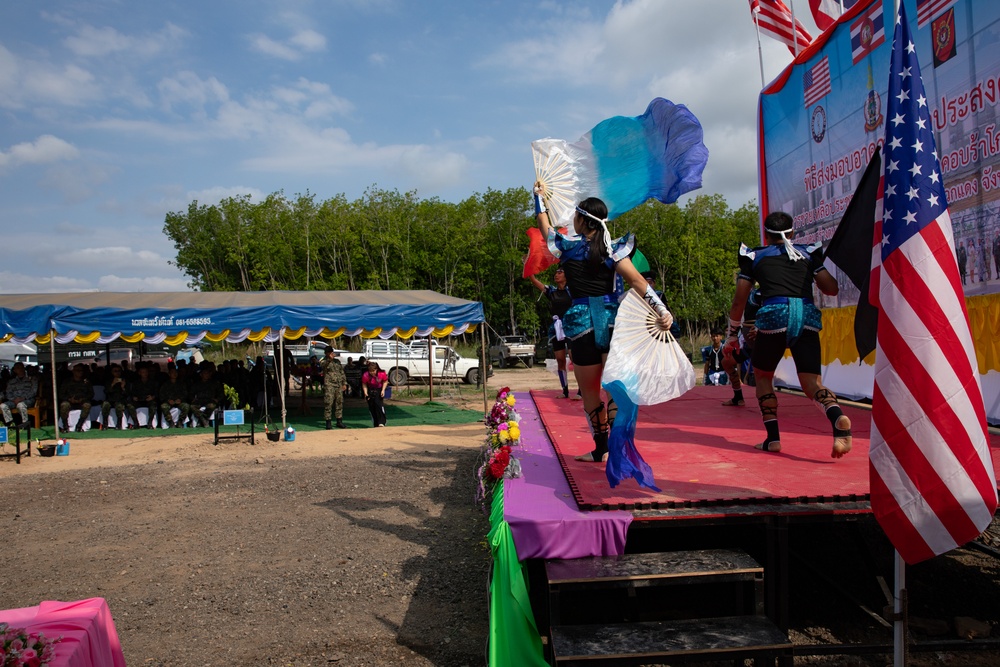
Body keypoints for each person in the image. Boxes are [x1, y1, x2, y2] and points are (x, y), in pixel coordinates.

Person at [533, 184, 673, 464]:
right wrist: (661, 308)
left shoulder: (568, 248)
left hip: (581, 324)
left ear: (583, 221)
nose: (572, 220)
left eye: (575, 216)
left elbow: (544, 226)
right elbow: (637, 282)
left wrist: (538, 197)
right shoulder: (615, 250)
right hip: (612, 323)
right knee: (616, 390)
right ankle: (619, 448)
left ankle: (601, 449)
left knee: (590, 393)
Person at [725, 210, 851, 457]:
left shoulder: (754, 256)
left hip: (774, 317)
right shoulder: (808, 253)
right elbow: (832, 289)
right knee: (811, 382)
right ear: (793, 233)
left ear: (767, 234)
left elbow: (739, 301)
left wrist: (732, 334)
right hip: (806, 316)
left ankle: (773, 439)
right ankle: (837, 417)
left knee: (763, 376)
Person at [528, 267, 573, 398]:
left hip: (571, 327)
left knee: (575, 359)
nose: (556, 275)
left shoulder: (573, 290)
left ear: (566, 276)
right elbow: (534, 281)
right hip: (556, 328)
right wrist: (528, 267)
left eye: (560, 272)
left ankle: (582, 391)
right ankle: (565, 390)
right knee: (560, 360)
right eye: (556, 273)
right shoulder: (551, 291)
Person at [721, 287, 761, 407]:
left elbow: (771, 310)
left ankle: (767, 406)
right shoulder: (741, 300)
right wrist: (733, 338)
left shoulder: (759, 294)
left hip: (761, 341)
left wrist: (760, 326)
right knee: (726, 362)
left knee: (762, 373)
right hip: (746, 343)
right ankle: (738, 397)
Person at [0, 361, 38, 428]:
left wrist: (23, 398)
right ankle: (10, 424)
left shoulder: (32, 379)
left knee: (20, 405)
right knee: (3, 406)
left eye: (20, 367)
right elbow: (8, 392)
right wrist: (13, 399)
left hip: (27, 400)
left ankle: (25, 424)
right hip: (14, 400)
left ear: (24, 368)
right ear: (14, 370)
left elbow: (33, 391)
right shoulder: (11, 381)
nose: (19, 369)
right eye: (17, 368)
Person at [59, 363, 94, 432]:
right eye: (78, 370)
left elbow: (91, 394)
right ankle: (65, 426)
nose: (80, 372)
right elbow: (61, 394)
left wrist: (82, 399)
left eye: (81, 370)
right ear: (73, 371)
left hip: (82, 401)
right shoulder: (67, 382)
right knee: (64, 405)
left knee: (87, 405)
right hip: (70, 401)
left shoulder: (86, 382)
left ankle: (79, 425)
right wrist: (69, 399)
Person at [320, 346, 347, 430]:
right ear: (326, 353)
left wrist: (344, 383)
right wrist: (329, 359)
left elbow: (341, 372)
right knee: (328, 403)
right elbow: (323, 366)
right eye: (329, 352)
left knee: (339, 402)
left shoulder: (337, 362)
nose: (331, 353)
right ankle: (328, 421)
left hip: (338, 384)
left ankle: (339, 421)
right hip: (329, 385)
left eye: (331, 352)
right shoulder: (323, 361)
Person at [100, 363, 128, 429]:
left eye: (119, 371)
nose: (117, 373)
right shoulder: (108, 381)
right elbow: (106, 391)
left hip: (120, 399)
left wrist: (123, 387)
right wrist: (112, 384)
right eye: (115, 371)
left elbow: (127, 393)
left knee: (119, 406)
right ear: (112, 372)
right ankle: (105, 424)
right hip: (110, 399)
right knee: (105, 405)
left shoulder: (124, 380)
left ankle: (119, 424)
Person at [361, 361, 389, 427]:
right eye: (370, 371)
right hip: (370, 390)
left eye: (373, 371)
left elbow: (385, 381)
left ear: (376, 369)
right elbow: (364, 384)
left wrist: (383, 390)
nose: (372, 372)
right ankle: (375, 423)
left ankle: (382, 422)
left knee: (378, 405)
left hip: (379, 389)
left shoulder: (382, 373)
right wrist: (365, 392)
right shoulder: (366, 375)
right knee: (372, 407)